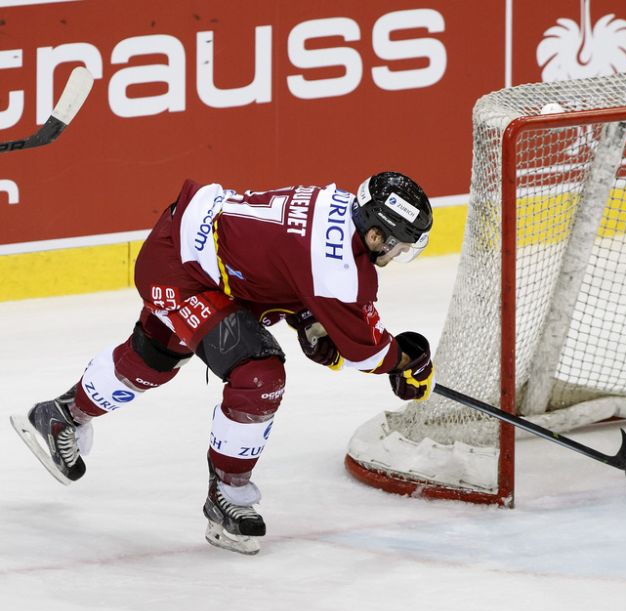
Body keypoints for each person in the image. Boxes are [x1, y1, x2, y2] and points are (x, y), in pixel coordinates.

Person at [9, 172, 436, 556]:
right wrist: (408, 361)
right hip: (185, 272)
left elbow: (284, 259)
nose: (398, 254)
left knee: (154, 355)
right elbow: (369, 353)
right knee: (259, 375)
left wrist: (306, 315)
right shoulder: (342, 269)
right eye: (399, 245)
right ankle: (228, 493)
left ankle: (61, 416)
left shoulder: (337, 203)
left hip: (198, 252)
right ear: (378, 235)